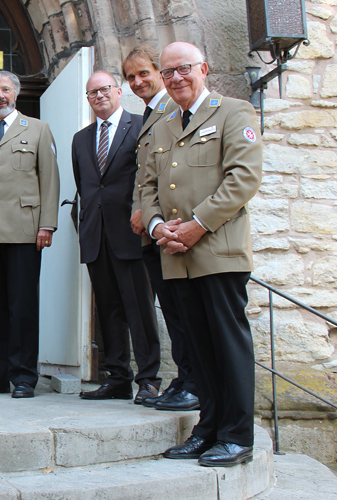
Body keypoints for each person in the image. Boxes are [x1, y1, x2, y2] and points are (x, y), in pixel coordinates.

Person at [143, 42, 262, 467]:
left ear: (204, 69)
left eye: (183, 69)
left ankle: (236, 436)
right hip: (175, 254)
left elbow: (243, 178)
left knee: (227, 345)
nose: (176, 77)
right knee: (196, 349)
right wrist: (158, 227)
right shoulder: (162, 124)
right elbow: (147, 186)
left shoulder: (233, 112)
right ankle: (208, 429)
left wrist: (196, 225)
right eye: (168, 71)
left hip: (218, 250)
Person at [0, 70, 59, 399]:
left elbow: (49, 179)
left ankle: (23, 377)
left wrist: (47, 224)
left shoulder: (38, 129)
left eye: (5, 89)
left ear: (15, 93)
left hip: (24, 232)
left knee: (22, 307)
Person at [71, 71, 161, 404]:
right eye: (91, 92)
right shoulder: (81, 139)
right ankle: (118, 377)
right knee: (108, 309)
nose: (98, 96)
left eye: (104, 89)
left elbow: (149, 177)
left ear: (119, 91)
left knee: (139, 308)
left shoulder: (141, 126)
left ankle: (148, 379)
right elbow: (86, 186)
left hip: (132, 233)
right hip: (96, 236)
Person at [123, 45, 199, 413]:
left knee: (184, 311)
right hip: (154, 229)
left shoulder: (174, 110)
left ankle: (194, 381)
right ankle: (185, 378)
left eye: (144, 73)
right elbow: (147, 173)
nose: (138, 82)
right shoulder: (152, 113)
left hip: (172, 227)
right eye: (131, 78)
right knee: (172, 310)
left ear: (159, 72)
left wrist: (145, 212)